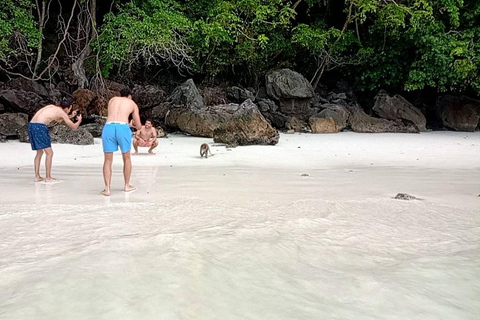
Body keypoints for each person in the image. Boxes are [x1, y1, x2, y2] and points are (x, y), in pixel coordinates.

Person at [28, 99, 82, 182]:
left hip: (31, 125)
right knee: (49, 153)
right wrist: (79, 121)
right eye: (70, 109)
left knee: (39, 152)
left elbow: (58, 118)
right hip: (40, 126)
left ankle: (37, 176)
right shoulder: (61, 112)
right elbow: (73, 127)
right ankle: (48, 177)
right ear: (67, 108)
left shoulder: (52, 107)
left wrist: (70, 116)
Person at [101, 88, 142, 196]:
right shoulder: (132, 103)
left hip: (109, 127)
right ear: (129, 96)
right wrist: (132, 124)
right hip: (123, 128)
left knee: (108, 160)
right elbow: (138, 126)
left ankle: (107, 189)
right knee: (126, 157)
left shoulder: (112, 100)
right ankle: (127, 185)